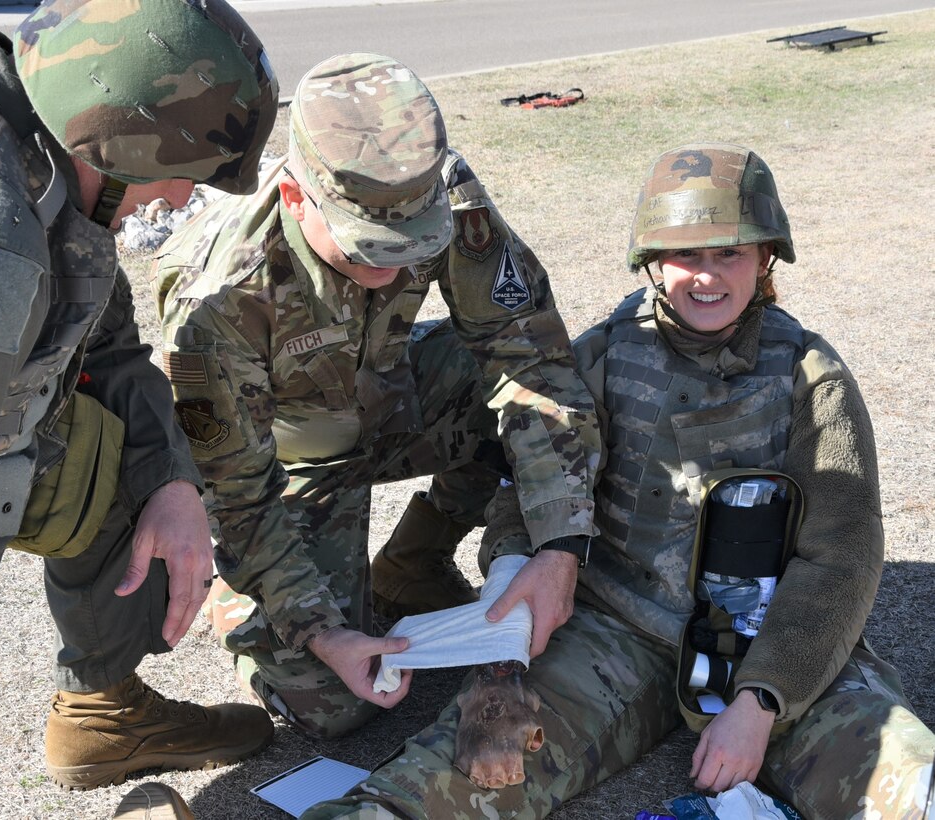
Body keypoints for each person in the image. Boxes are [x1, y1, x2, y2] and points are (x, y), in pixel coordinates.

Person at [298, 143, 935, 820]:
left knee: (905, 784)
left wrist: (761, 700)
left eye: (730, 253)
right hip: (614, 634)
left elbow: (840, 559)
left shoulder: (811, 379)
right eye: (686, 254)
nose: (706, 276)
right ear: (651, 262)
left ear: (765, 258)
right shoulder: (602, 355)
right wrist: (509, 608)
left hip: (766, 638)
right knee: (461, 770)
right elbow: (531, 488)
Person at [152, 52, 600, 739]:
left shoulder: (437, 188)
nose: (392, 267)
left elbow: (528, 356)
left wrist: (559, 542)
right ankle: (241, 606)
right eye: (368, 249)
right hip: (288, 470)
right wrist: (320, 632)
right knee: (331, 706)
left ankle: (411, 561)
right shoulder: (215, 298)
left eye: (411, 245)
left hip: (392, 402)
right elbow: (235, 492)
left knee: (557, 394)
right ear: (295, 198)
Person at [0, 0, 280, 791]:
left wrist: (170, 483)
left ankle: (104, 716)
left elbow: (108, 344)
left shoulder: (40, 142)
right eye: (187, 176)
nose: (177, 201)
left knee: (131, 452)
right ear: (122, 141)